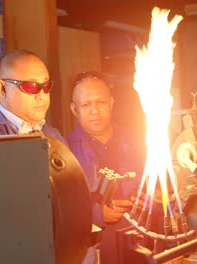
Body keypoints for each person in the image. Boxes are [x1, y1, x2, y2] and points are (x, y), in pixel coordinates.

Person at [66, 71, 145, 263]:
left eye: (101, 102)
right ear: (75, 110)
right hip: (92, 250)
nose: (95, 111)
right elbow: (58, 209)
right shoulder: (64, 153)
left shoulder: (138, 141)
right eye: (86, 105)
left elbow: (156, 182)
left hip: (139, 241)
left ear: (111, 103)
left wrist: (148, 198)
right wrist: (95, 215)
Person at [0, 49, 65, 144]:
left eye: (46, 86)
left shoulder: (54, 137)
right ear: (2, 88)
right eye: (30, 86)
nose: (42, 96)